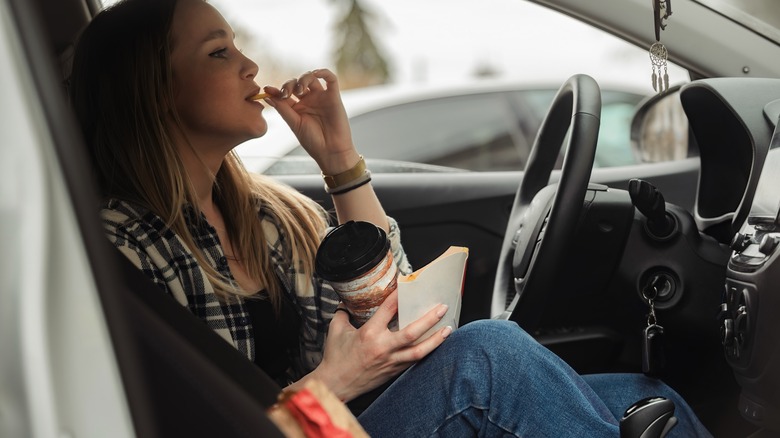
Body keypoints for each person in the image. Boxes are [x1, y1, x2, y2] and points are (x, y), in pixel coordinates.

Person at [68, 0, 713, 436]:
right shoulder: (121, 251)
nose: (250, 66)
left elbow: (394, 306)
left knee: (649, 398)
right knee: (486, 360)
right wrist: (335, 381)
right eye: (217, 53)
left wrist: (340, 161)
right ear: (154, 89)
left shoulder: (266, 216)